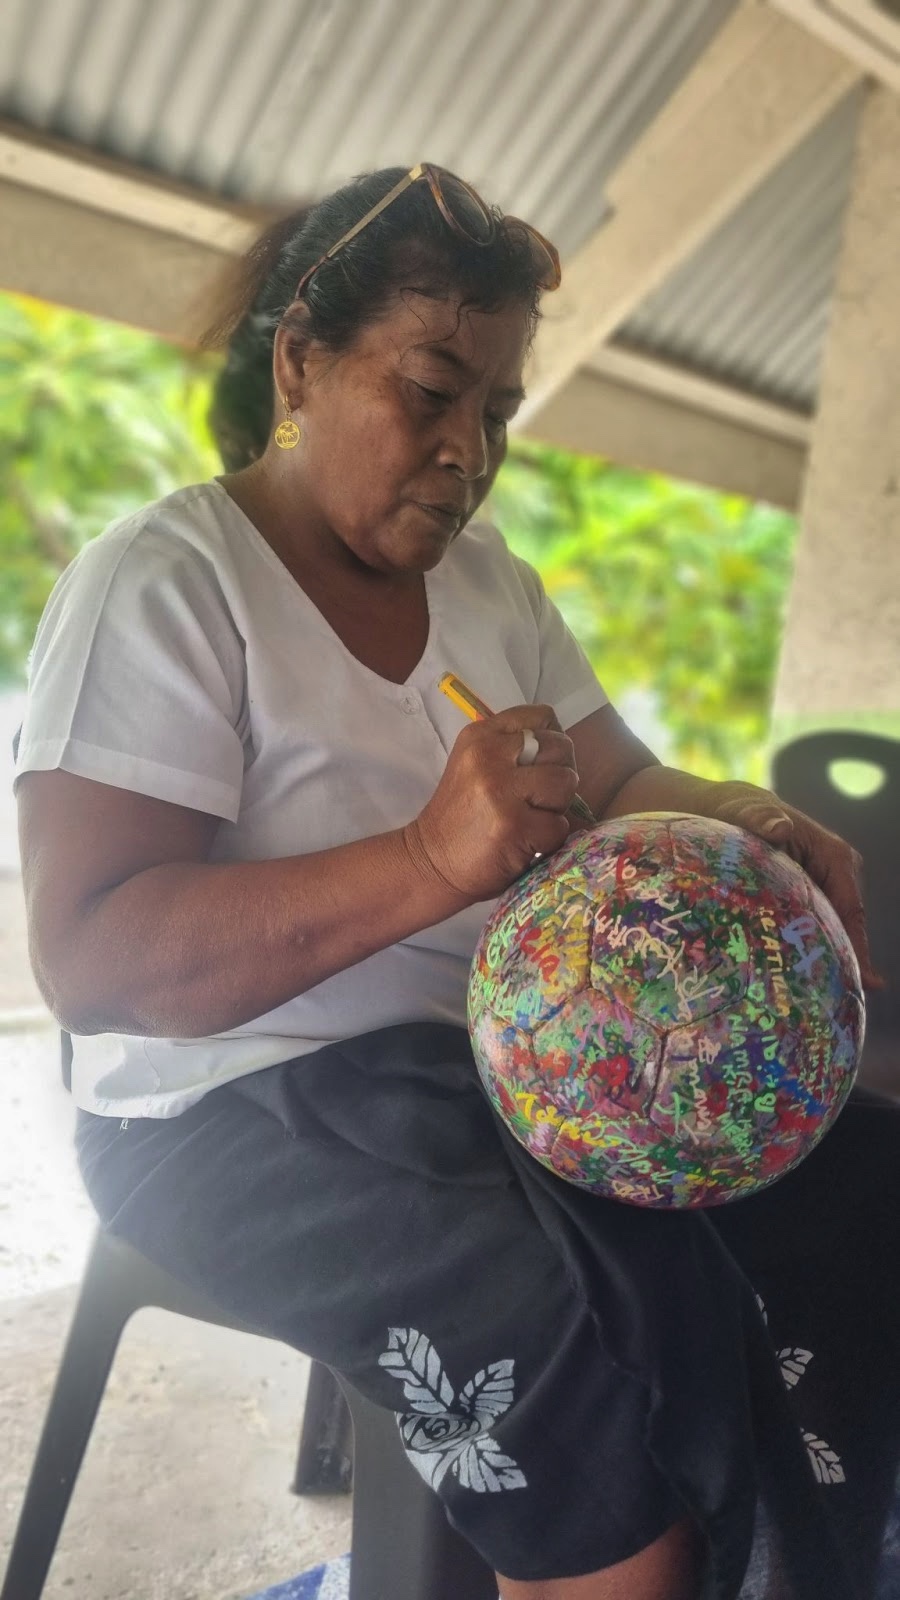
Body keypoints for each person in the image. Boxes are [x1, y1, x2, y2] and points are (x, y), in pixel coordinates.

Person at [13, 164, 898, 1600]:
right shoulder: (170, 584)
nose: (465, 450)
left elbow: (622, 783)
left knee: (852, 1191)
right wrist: (432, 860)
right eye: (430, 390)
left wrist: (744, 816)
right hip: (226, 1109)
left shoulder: (495, 588)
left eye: (495, 410)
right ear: (300, 362)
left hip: (476, 1074)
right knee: (590, 1351)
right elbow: (97, 961)